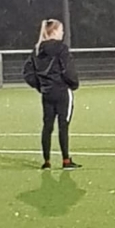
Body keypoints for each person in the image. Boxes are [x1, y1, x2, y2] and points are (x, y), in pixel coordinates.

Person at [23, 19, 81, 169]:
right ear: (54, 31)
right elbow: (68, 70)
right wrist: (73, 84)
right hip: (62, 92)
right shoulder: (61, 49)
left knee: (47, 127)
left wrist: (40, 86)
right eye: (61, 30)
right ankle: (66, 160)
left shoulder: (37, 50)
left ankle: (47, 161)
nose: (63, 33)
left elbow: (28, 73)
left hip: (47, 94)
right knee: (63, 126)